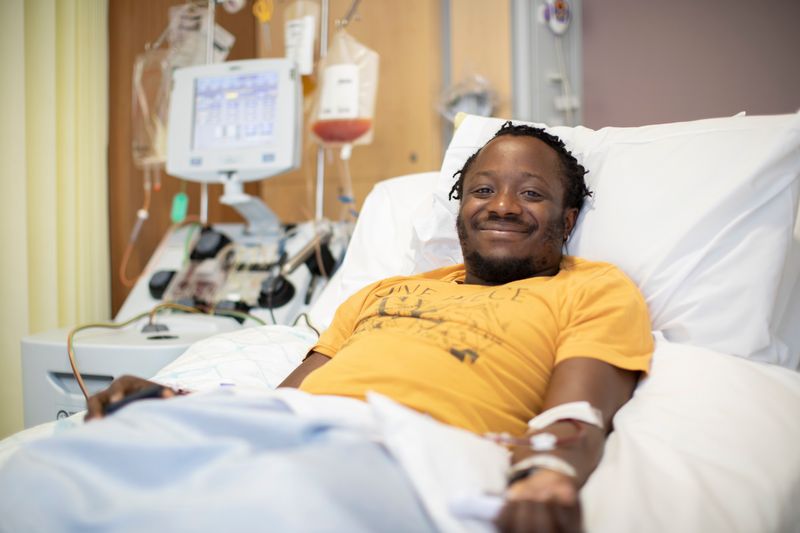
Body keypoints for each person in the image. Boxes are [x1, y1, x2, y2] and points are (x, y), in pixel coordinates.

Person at [9, 123, 653, 533]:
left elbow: (576, 415)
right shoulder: (381, 293)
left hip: (395, 447)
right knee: (38, 475)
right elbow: (286, 400)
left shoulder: (592, 287)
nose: (504, 206)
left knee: (256, 506)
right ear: (462, 210)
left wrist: (548, 475)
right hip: (283, 429)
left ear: (567, 222)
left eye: (532, 194)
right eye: (483, 189)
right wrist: (171, 402)